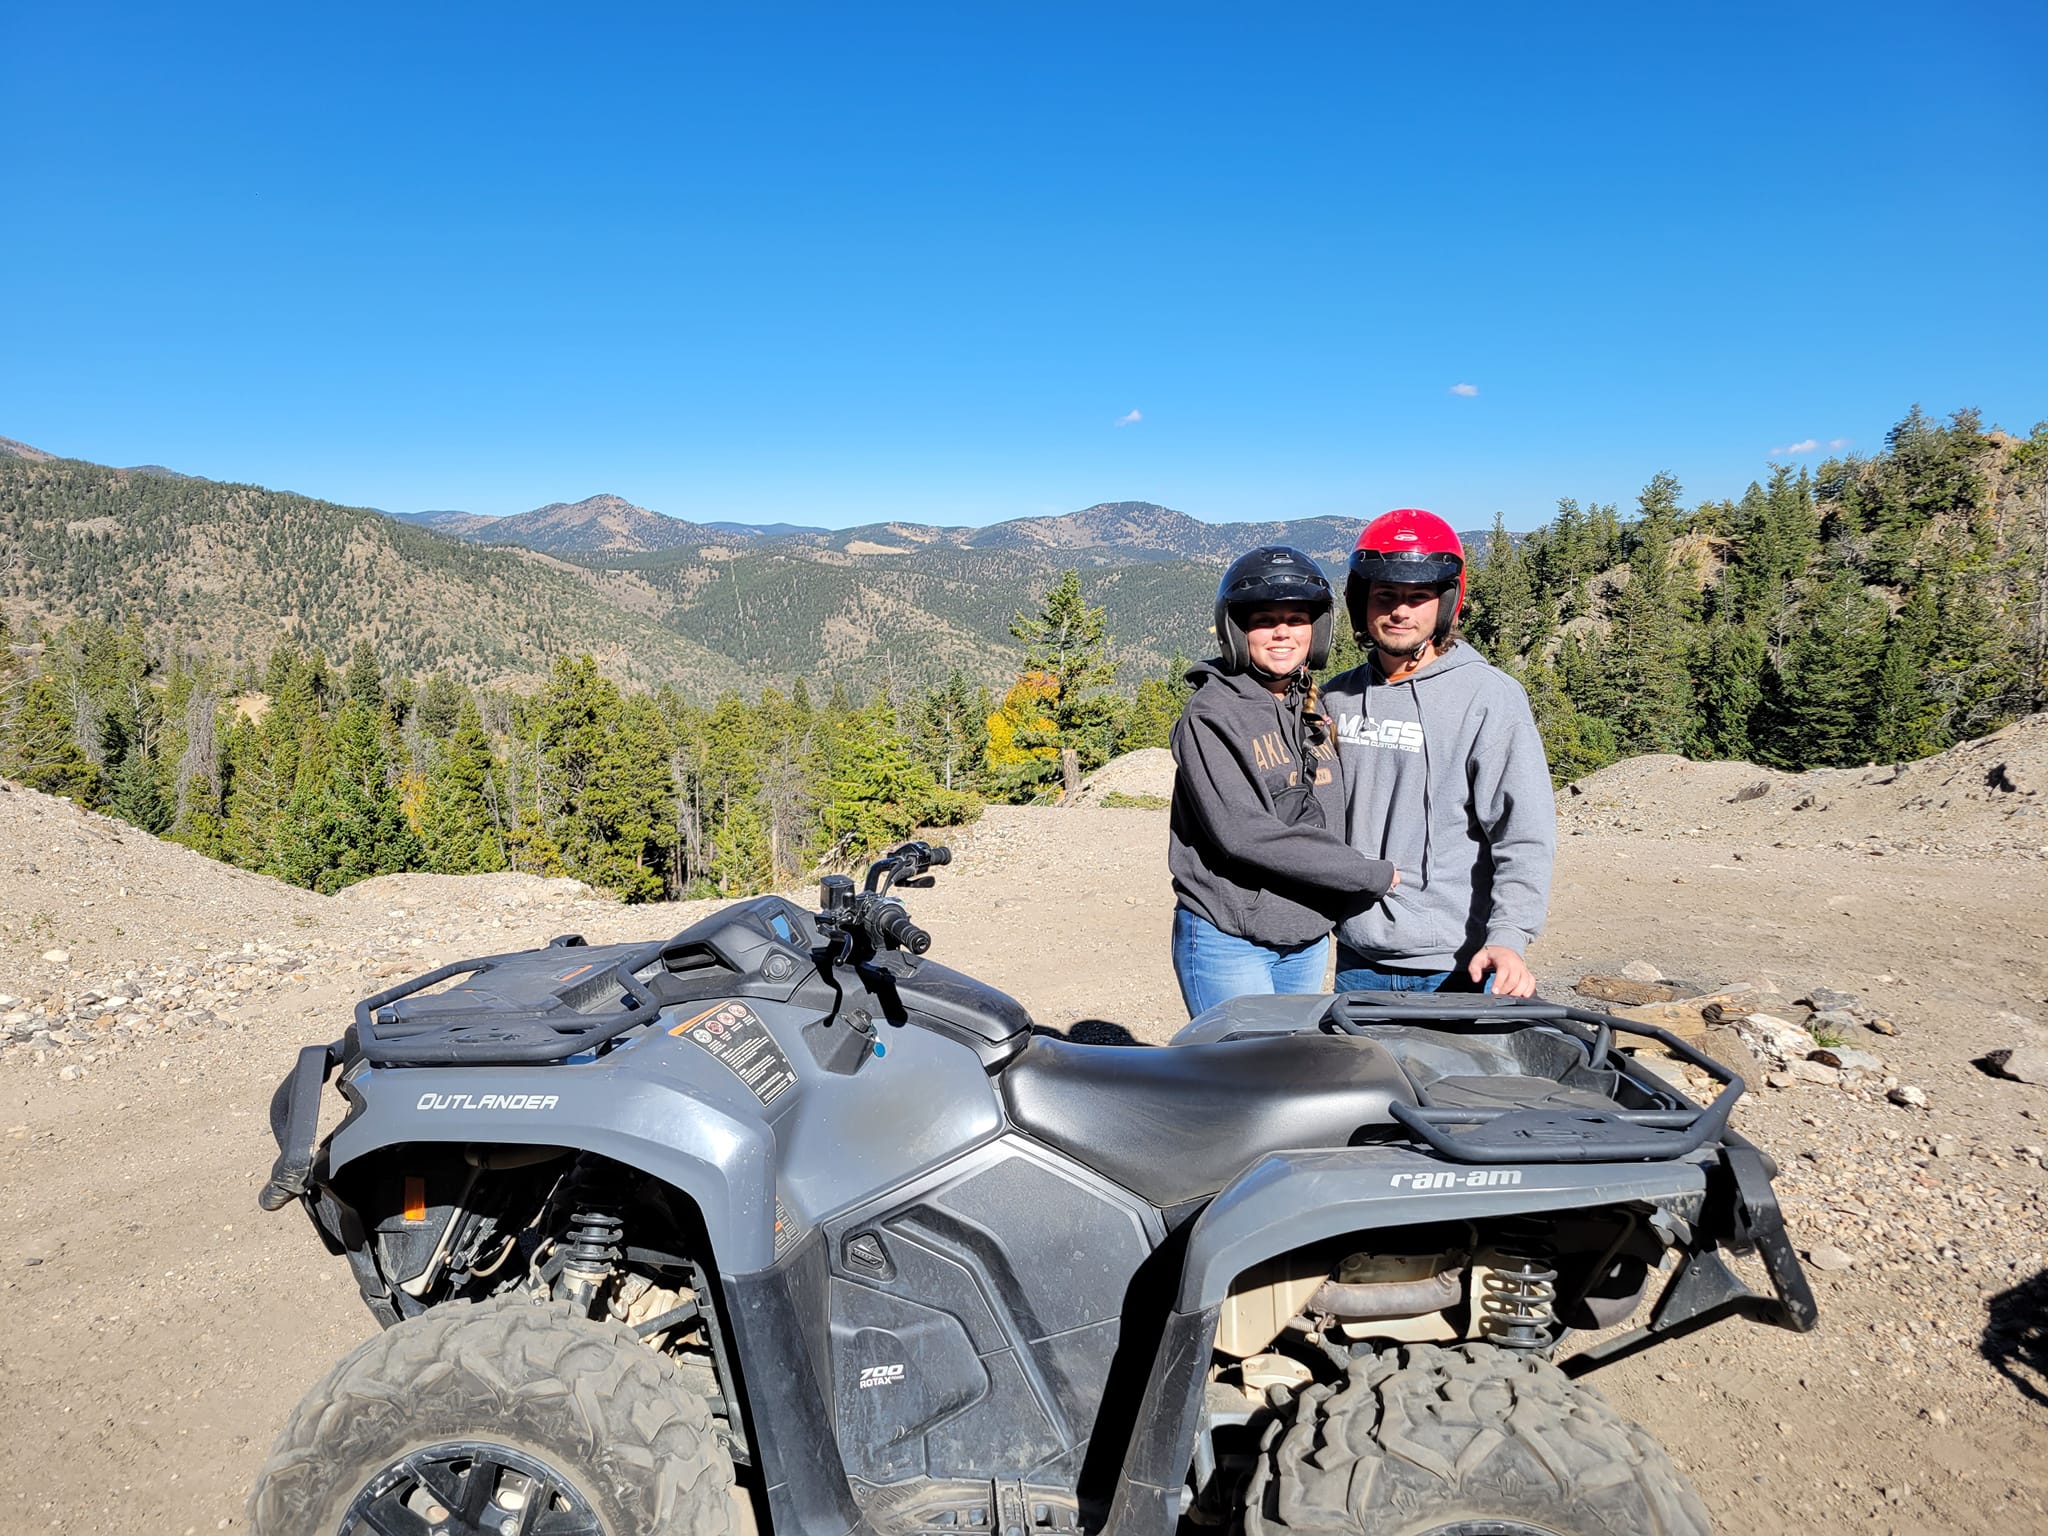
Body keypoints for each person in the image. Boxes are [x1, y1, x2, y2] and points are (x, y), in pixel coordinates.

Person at [1321, 509, 1555, 997]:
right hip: (1357, 952)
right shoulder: (1335, 699)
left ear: (1446, 603)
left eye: (1418, 597)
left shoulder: (1488, 697)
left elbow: (1523, 832)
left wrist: (1509, 938)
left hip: (1453, 963)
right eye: (1385, 595)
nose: (1400, 611)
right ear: (1361, 601)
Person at [1167, 545, 1398, 1016]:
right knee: (1240, 1076)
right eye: (1264, 619)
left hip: (1307, 933)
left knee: (1287, 1071)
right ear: (1237, 630)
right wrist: (1369, 875)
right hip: (1231, 935)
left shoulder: (1312, 705)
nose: (1281, 633)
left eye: (1296, 619)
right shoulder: (1211, 714)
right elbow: (1245, 834)